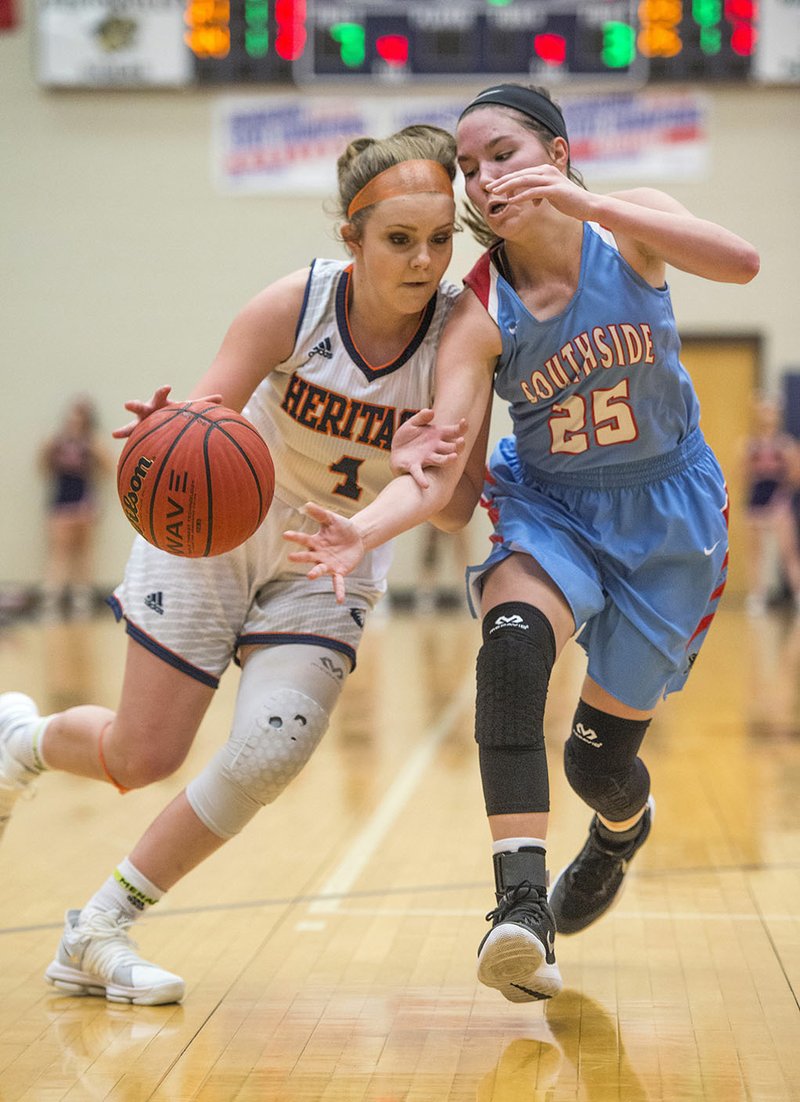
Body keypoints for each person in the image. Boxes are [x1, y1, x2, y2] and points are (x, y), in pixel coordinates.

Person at [284, 84, 760, 1003]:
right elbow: (441, 460)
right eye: (469, 166)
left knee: (597, 765)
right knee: (510, 651)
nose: (483, 177)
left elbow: (740, 264)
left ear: (559, 150)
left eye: (501, 153)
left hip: (669, 518)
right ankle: (518, 909)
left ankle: (621, 831)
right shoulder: (477, 309)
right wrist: (368, 527)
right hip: (552, 506)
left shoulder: (634, 226)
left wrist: (587, 204)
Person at [0, 124, 480, 1005]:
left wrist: (421, 464)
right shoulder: (290, 306)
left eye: (441, 238)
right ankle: (21, 744)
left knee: (272, 746)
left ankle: (97, 929)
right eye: (400, 240)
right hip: (219, 529)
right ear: (353, 236)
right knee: (141, 755)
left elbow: (451, 510)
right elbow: (206, 408)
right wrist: (167, 433)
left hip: (334, 550)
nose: (425, 262)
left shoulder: (464, 335)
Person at [38, 395, 114, 616]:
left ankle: (82, 597)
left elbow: (109, 468)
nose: (74, 420)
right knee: (59, 551)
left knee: (84, 552)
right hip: (61, 500)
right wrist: (49, 447)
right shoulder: (57, 440)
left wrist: (94, 447)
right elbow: (43, 466)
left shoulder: (92, 442)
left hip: (84, 502)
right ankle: (52, 597)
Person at [740, 395, 800, 615]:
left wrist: (781, 497)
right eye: (764, 411)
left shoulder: (785, 444)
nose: (767, 416)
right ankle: (757, 596)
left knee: (788, 550)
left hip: (778, 500)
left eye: (771, 412)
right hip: (756, 501)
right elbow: (743, 474)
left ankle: (797, 593)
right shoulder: (749, 445)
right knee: (755, 552)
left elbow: (795, 474)